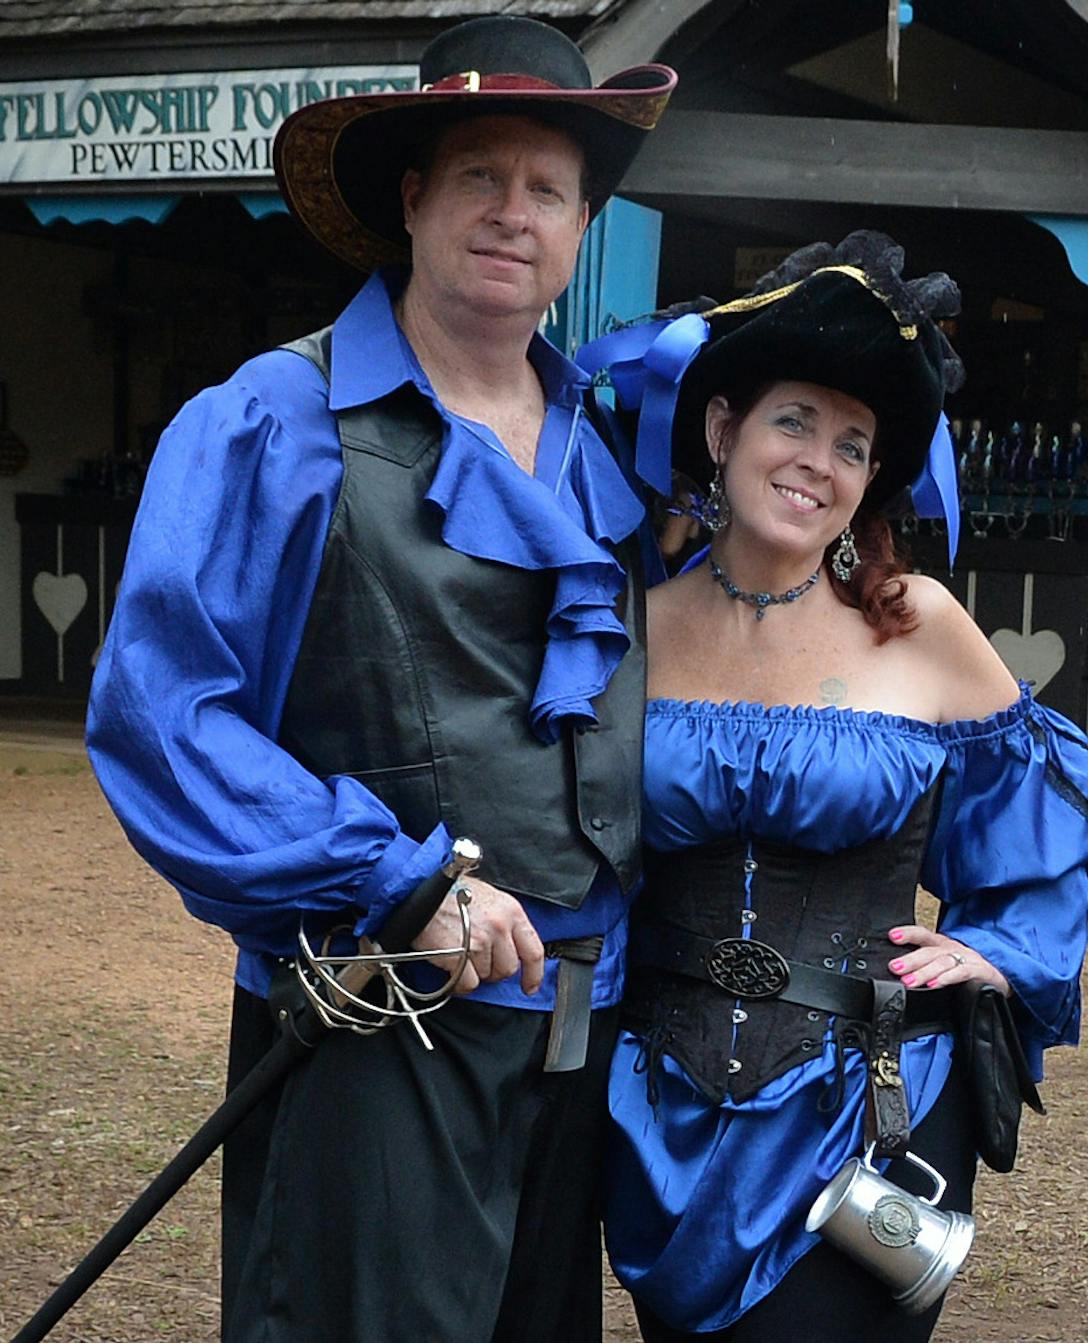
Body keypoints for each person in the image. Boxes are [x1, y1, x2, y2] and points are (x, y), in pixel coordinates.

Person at [84, 18, 675, 1340]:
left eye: (548, 189)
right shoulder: (266, 423)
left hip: (579, 1043)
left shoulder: (603, 451)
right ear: (412, 200)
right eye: (480, 176)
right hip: (376, 1022)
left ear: (581, 227)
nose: (513, 213)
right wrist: (392, 881)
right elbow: (162, 717)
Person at [587, 231, 1088, 1341]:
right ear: (723, 429)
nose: (816, 461)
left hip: (868, 1108)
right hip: (657, 1105)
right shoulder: (632, 627)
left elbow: (1038, 806)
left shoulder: (915, 625)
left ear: (875, 478)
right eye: (793, 421)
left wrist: (1002, 945)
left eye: (854, 444)